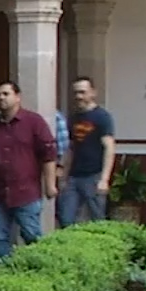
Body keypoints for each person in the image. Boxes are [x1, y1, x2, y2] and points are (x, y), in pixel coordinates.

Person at [0, 79, 63, 260]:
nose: (1, 98)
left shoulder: (34, 122)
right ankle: (4, 273)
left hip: (26, 192)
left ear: (18, 97)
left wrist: (50, 185)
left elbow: (48, 154)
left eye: (6, 94)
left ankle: (37, 271)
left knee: (32, 235)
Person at [58, 76, 116, 227]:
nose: (78, 96)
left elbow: (109, 148)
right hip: (74, 177)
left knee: (97, 220)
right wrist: (64, 176)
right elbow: (71, 148)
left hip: (94, 176)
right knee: (66, 219)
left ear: (93, 93)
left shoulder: (102, 117)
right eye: (76, 92)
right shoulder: (73, 118)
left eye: (83, 92)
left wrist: (104, 179)